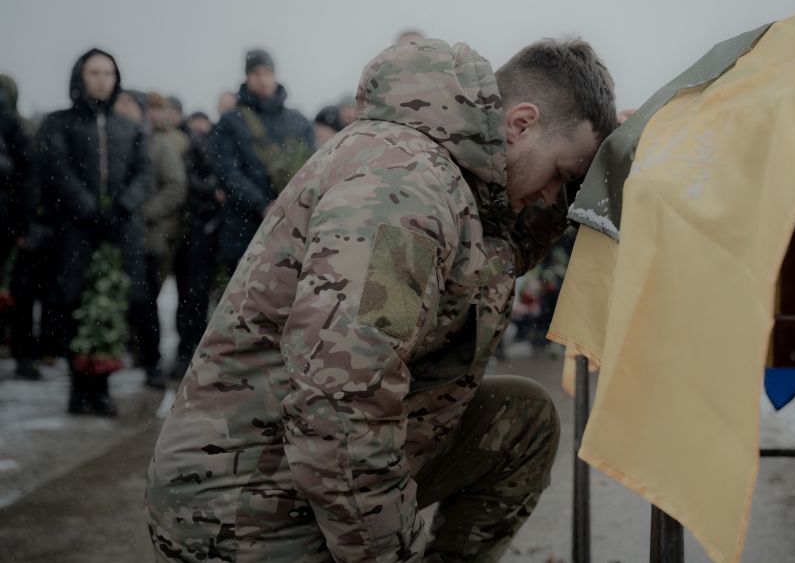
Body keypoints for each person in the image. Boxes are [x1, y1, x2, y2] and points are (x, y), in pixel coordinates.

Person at [146, 37, 617, 562]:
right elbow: (340, 404)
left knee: (521, 419)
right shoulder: (405, 189)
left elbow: (498, 251)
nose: (557, 197)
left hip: (301, 464)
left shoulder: (455, 172)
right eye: (564, 177)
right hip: (243, 504)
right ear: (521, 123)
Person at [35, 49, 151, 416]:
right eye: (94, 72)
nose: (102, 79)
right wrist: (87, 208)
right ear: (79, 76)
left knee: (111, 307)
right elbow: (57, 169)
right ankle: (77, 387)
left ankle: (101, 388)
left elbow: (143, 174)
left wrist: (120, 208)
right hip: (74, 232)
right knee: (73, 305)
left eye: (108, 72)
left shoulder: (129, 128)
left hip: (119, 233)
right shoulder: (59, 123)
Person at [209, 49, 314, 271]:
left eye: (267, 72)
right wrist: (263, 204)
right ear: (247, 77)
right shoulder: (230, 122)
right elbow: (227, 171)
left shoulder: (299, 121)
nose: (263, 79)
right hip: (243, 227)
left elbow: (313, 169)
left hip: (291, 226)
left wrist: (292, 205)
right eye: (256, 73)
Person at [135, 92, 187, 388]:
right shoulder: (135, 139)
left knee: (147, 301)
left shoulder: (165, 143)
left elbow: (176, 188)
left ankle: (152, 361)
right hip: (131, 237)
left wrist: (142, 213)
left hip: (154, 236)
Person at [170, 110, 225, 380]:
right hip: (196, 231)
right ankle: (187, 353)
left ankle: (204, 353)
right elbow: (186, 181)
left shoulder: (222, 144)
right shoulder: (193, 147)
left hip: (218, 230)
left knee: (209, 295)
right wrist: (212, 191)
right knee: (192, 295)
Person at [0, 74, 37, 379]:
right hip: (15, 222)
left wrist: (25, 225)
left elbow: (28, 178)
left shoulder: (17, 126)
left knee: (21, 294)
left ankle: (24, 354)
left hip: (13, 225)